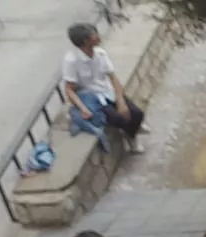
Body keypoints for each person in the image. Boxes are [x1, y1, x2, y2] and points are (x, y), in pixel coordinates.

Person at [61, 24, 145, 153]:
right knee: (119, 118)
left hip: (107, 91)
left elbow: (113, 78)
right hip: (92, 98)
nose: (98, 37)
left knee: (137, 113)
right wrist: (83, 109)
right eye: (94, 35)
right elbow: (69, 89)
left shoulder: (100, 54)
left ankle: (131, 131)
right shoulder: (72, 61)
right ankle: (131, 135)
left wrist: (121, 101)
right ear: (85, 41)